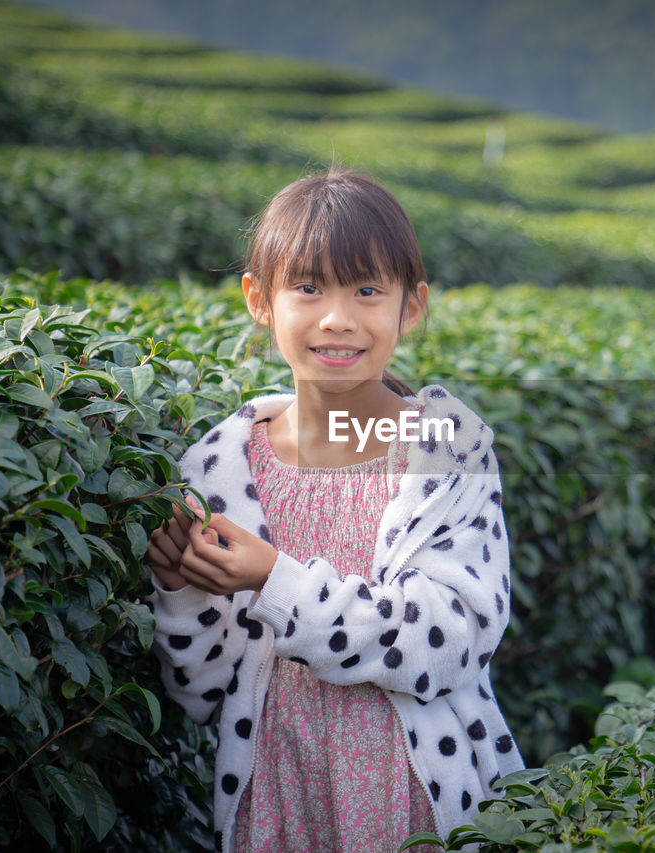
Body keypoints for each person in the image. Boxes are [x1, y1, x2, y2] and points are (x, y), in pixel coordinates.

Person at [144, 166, 524, 853]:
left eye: (368, 289)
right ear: (261, 299)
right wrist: (180, 591)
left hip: (418, 802)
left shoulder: (444, 449)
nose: (337, 317)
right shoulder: (221, 466)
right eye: (309, 286)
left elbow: (452, 640)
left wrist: (274, 580)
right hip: (279, 800)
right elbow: (200, 694)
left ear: (411, 307)